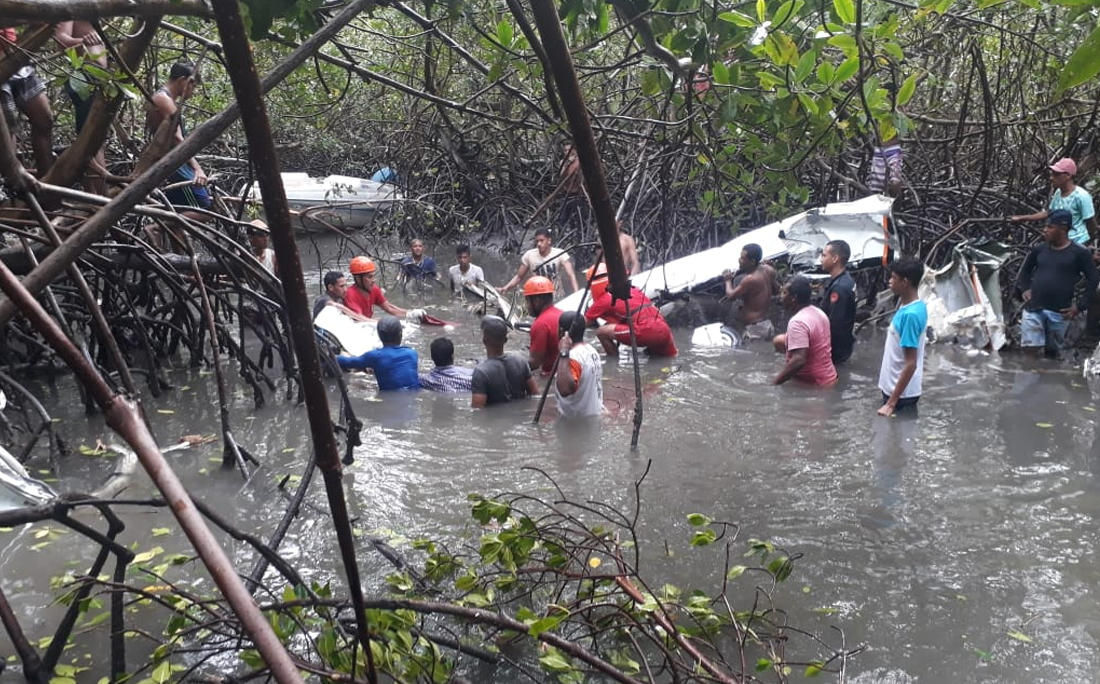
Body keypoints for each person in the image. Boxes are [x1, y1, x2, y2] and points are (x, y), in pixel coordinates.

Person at [1014, 209, 1100, 358]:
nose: (1045, 230)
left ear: (1063, 228)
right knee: (1030, 351)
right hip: (1034, 308)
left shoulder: (1080, 253)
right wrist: (1025, 288)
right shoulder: (1039, 250)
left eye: (1050, 227)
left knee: (1052, 353)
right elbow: (1025, 271)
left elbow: (1093, 279)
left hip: (1060, 312)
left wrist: (1079, 307)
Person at [146, 63, 211, 217]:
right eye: (193, 86)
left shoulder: (164, 98)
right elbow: (177, 139)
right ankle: (154, 228)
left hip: (172, 162)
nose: (193, 91)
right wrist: (197, 168)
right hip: (174, 163)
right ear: (183, 80)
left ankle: (161, 229)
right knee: (205, 208)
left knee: (178, 210)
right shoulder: (164, 100)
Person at [53, 20, 107, 194]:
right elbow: (60, 39)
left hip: (95, 79)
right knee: (92, 141)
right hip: (84, 78)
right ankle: (101, 197)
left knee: (91, 140)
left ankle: (94, 194)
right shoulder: (74, 9)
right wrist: (83, 41)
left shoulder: (92, 14)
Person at [584, 265, 677, 357]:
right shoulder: (633, 289)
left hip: (644, 330)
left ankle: (613, 361)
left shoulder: (603, 300)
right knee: (667, 358)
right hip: (664, 329)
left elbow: (583, 324)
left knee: (601, 332)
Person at [877, 258, 928, 416]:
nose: (890, 281)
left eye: (894, 278)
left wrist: (891, 404)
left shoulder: (910, 316)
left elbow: (911, 363)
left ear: (905, 282)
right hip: (899, 392)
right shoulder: (915, 306)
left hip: (900, 397)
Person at [1, 28, 53, 177]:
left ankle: (48, 177)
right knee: (8, 128)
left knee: (44, 120)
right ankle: (13, 181)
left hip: (17, 61)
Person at [1009, 158, 1097, 245]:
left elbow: (1091, 223)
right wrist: (1022, 218)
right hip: (1059, 241)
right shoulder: (1058, 192)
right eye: (1051, 174)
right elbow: (1050, 212)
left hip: (1077, 242)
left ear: (1068, 175)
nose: (1051, 178)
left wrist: (1087, 244)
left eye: (1056, 175)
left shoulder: (1082, 196)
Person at [771, 277, 837, 386]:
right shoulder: (819, 313)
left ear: (793, 298)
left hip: (814, 385)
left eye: (784, 293)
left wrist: (774, 383)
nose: (781, 297)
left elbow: (799, 360)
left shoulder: (797, 322)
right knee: (779, 340)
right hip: (830, 377)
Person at [336, 316, 419, 390]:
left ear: (379, 336)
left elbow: (349, 362)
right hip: (412, 395)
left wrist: (333, 356)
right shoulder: (412, 353)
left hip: (387, 399)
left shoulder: (375, 356)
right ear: (400, 334)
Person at [471, 316, 537, 407]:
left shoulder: (481, 373)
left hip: (497, 416)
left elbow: (478, 410)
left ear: (484, 340)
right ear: (506, 340)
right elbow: (535, 394)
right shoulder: (521, 360)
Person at [722, 243, 779, 340]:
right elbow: (776, 291)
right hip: (765, 325)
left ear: (752, 261)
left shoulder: (750, 279)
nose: (739, 260)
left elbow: (731, 296)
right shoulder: (768, 270)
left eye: (742, 258)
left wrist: (727, 280)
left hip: (755, 329)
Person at [499, 228, 579, 297]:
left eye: (541, 240)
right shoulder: (529, 255)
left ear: (549, 241)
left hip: (556, 295)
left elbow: (571, 275)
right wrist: (505, 288)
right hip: (538, 296)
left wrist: (576, 293)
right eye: (537, 241)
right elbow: (519, 277)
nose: (539, 244)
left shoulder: (560, 254)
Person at [555, 311, 604, 418]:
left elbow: (565, 389)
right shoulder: (591, 350)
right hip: (594, 415)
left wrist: (564, 353)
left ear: (561, 331)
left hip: (574, 422)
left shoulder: (572, 357)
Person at [345, 256, 422, 321]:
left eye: (373, 276)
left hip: (368, 322)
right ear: (358, 278)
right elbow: (358, 319)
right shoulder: (350, 294)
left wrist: (410, 313)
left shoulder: (374, 289)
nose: (373, 280)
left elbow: (389, 308)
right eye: (369, 277)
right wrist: (381, 322)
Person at [818, 239, 857, 364]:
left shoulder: (839, 288)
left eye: (824, 255)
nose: (821, 260)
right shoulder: (845, 279)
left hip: (835, 350)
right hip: (844, 346)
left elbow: (835, 325)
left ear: (835, 258)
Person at [524, 276, 563, 373]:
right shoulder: (562, 313)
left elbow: (534, 363)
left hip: (551, 374)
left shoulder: (540, 324)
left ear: (536, 302)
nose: (527, 306)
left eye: (527, 301)